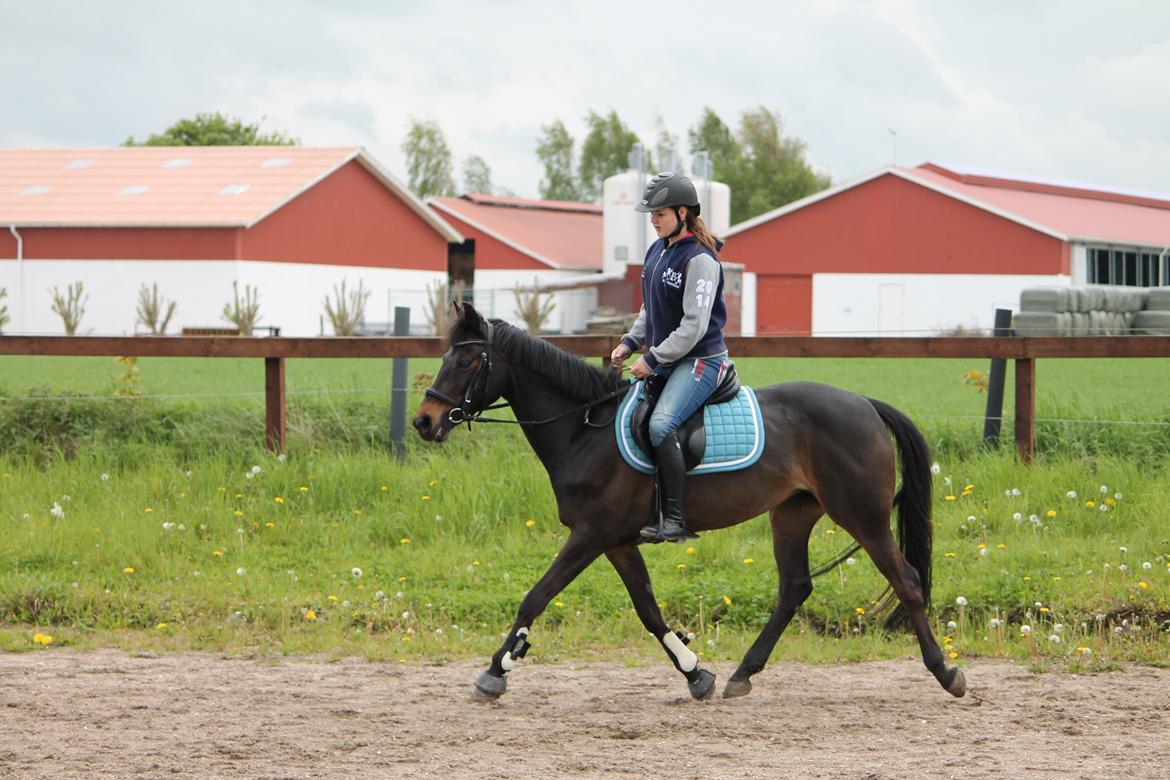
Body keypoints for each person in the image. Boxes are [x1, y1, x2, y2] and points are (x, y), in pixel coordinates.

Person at [610, 171, 731, 543]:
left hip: (701, 361)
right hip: (669, 359)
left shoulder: (701, 260)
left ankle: (675, 520)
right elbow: (651, 308)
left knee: (661, 426)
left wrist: (653, 359)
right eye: (651, 214)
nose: (653, 220)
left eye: (659, 213)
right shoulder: (658, 250)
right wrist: (630, 342)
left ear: (682, 212)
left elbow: (694, 327)